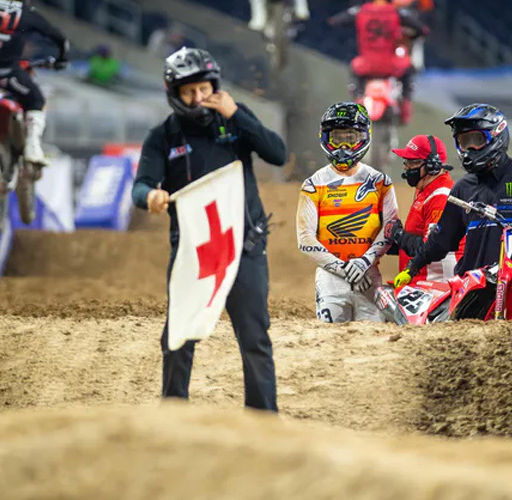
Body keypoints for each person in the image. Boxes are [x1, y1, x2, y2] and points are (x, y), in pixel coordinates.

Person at [132, 47, 286, 410]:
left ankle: (263, 419)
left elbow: (277, 154)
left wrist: (238, 115)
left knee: (254, 336)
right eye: (189, 92)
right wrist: (150, 195)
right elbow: (140, 185)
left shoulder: (233, 119)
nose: (199, 98)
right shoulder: (163, 137)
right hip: (193, 251)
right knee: (178, 334)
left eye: (204, 89)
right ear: (175, 95)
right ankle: (174, 413)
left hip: (245, 246)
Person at [394, 103, 512, 287]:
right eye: (464, 142)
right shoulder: (462, 189)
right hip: (473, 290)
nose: (469, 149)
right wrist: (413, 266)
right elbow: (440, 241)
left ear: (496, 136)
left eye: (476, 140)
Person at [296, 101, 398, 323]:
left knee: (373, 345)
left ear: (363, 137)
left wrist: (363, 263)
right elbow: (305, 239)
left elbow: (390, 229)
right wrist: (347, 269)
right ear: (326, 138)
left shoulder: (381, 182)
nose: (344, 146)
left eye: (350, 138)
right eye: (337, 138)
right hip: (332, 277)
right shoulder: (313, 184)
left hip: (369, 276)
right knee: (329, 342)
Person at [0, 0, 69, 169]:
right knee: (36, 101)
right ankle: (32, 147)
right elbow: (57, 37)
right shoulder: (24, 11)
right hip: (11, 74)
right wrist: (61, 59)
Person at [328, 0, 429, 125]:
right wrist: (410, 36)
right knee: (408, 70)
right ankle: (405, 109)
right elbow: (422, 30)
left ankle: (358, 102)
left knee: (355, 74)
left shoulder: (361, 11)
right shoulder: (396, 12)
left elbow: (336, 21)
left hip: (366, 64)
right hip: (391, 65)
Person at [384, 134, 457, 283]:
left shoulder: (441, 197)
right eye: (406, 161)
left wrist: (398, 235)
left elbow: (431, 248)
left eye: (412, 162)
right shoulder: (424, 188)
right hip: (421, 282)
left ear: (432, 165)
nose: (406, 167)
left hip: (438, 285)